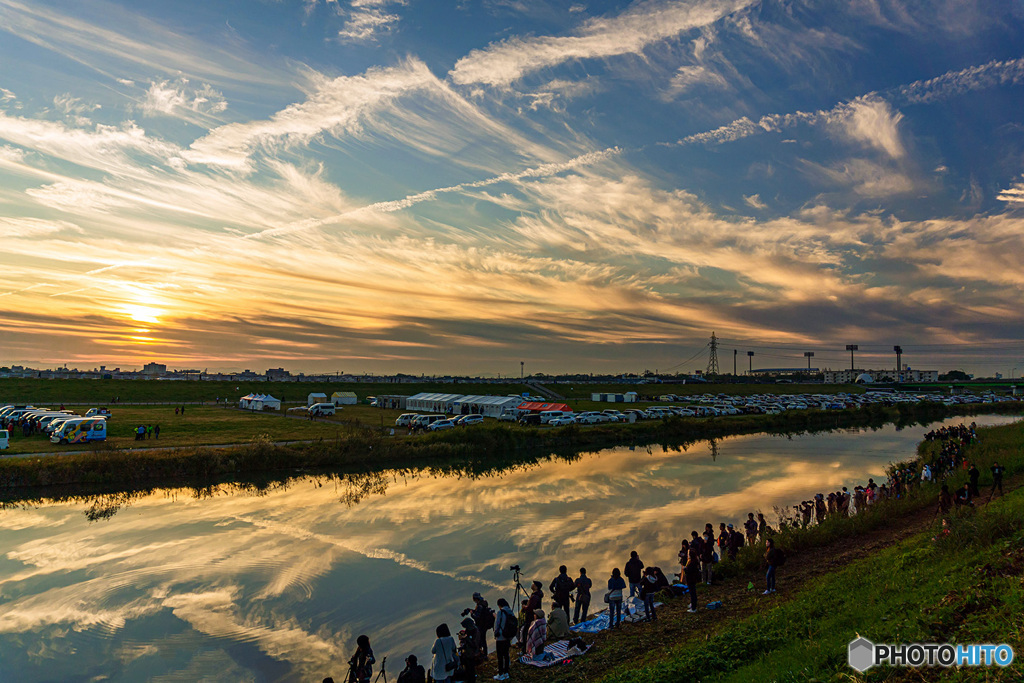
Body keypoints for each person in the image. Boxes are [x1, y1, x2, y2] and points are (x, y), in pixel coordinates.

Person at [492, 598, 515, 681]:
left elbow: (497, 624)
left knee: (500, 656)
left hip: (501, 637)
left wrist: (495, 634)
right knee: (506, 654)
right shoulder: (510, 611)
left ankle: (500, 674)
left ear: (499, 605)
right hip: (508, 636)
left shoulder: (500, 612)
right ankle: (506, 673)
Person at [458, 617, 482, 683]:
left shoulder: (475, 631)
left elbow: (474, 644)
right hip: (467, 654)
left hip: (472, 655)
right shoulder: (468, 630)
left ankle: (471, 680)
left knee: (471, 670)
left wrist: (466, 638)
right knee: (467, 669)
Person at [684, 547, 701, 613]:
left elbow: (689, 571)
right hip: (692, 580)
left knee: (692, 593)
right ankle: (692, 604)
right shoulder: (694, 561)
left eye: (688, 553)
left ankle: (694, 607)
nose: (687, 555)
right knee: (692, 593)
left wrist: (685, 569)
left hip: (691, 580)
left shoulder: (692, 563)